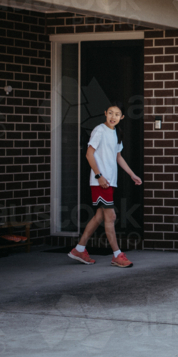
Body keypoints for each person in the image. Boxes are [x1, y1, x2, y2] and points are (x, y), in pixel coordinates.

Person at [68, 102, 142, 268]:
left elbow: (118, 157)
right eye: (110, 113)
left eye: (117, 114)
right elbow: (89, 154)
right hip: (101, 182)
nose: (113, 117)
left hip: (110, 181)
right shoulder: (99, 130)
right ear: (105, 113)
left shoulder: (116, 132)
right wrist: (99, 176)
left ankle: (79, 249)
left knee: (100, 216)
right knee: (111, 216)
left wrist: (132, 175)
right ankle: (117, 255)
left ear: (121, 117)